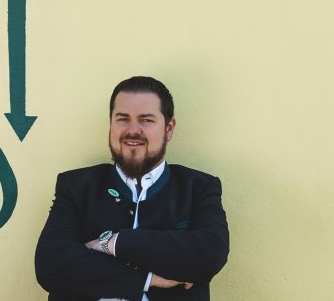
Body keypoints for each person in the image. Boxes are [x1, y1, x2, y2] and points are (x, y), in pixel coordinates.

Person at [35, 76, 229, 301]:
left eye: (146, 120)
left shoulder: (198, 188)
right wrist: (147, 278)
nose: (132, 130)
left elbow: (209, 254)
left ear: (169, 128)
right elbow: (51, 265)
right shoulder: (77, 186)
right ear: (111, 124)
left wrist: (112, 243)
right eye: (122, 119)